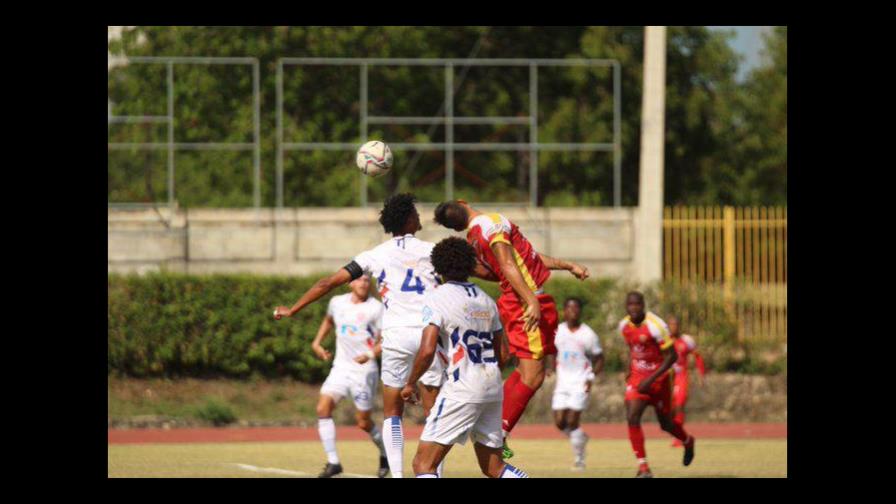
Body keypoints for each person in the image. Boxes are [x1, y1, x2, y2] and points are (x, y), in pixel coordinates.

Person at [274, 193, 446, 478]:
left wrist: (294, 309)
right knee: (434, 412)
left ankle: (398, 475)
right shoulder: (433, 250)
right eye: (415, 213)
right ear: (408, 219)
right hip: (429, 334)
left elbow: (328, 282)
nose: (419, 217)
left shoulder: (375, 254)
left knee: (393, 414)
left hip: (396, 338)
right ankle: (434, 475)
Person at [433, 200, 589, 459]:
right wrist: (531, 301)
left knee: (525, 372)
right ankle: (496, 434)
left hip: (518, 300)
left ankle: (492, 428)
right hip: (524, 302)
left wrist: (567, 265)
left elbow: (524, 260)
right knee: (533, 376)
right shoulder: (492, 223)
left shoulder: (475, 237)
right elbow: (507, 265)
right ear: (463, 202)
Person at [401, 237, 529, 478]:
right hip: (492, 386)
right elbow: (504, 352)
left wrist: (410, 383)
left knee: (423, 465)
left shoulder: (437, 297)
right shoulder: (486, 300)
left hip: (462, 388)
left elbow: (427, 349)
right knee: (495, 468)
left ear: (437, 266)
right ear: (470, 265)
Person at [308, 274, 389, 478]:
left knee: (363, 422)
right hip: (340, 368)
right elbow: (328, 321)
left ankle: (385, 453)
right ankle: (334, 462)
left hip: (364, 371)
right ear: (350, 282)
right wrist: (317, 343)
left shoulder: (376, 308)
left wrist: (370, 354)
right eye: (359, 279)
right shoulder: (337, 302)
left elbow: (387, 338)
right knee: (323, 407)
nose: (363, 283)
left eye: (365, 280)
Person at [618, 292, 695, 478]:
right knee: (632, 416)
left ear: (643, 305)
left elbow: (672, 356)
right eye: (630, 305)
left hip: (659, 381)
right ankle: (643, 467)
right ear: (626, 307)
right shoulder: (623, 326)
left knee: (666, 425)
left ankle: (687, 441)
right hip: (637, 380)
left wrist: (650, 379)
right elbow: (633, 349)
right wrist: (630, 369)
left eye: (637, 304)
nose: (633, 308)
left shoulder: (656, 326)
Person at [546, 297, 604, 470]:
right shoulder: (558, 330)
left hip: (581, 382)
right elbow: (551, 350)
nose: (573, 311)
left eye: (576, 308)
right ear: (564, 310)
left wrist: (591, 377)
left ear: (580, 311)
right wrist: (550, 368)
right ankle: (580, 437)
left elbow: (599, 358)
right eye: (569, 308)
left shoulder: (588, 334)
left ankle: (579, 459)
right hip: (562, 383)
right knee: (559, 422)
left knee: (572, 421)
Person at [667, 316, 706, 448]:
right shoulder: (664, 340)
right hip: (667, 377)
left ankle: (679, 437)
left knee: (679, 404)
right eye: (671, 324)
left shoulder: (687, 340)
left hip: (681, 376)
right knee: (669, 408)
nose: (673, 327)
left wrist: (701, 374)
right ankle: (675, 430)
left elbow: (698, 356)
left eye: (675, 324)